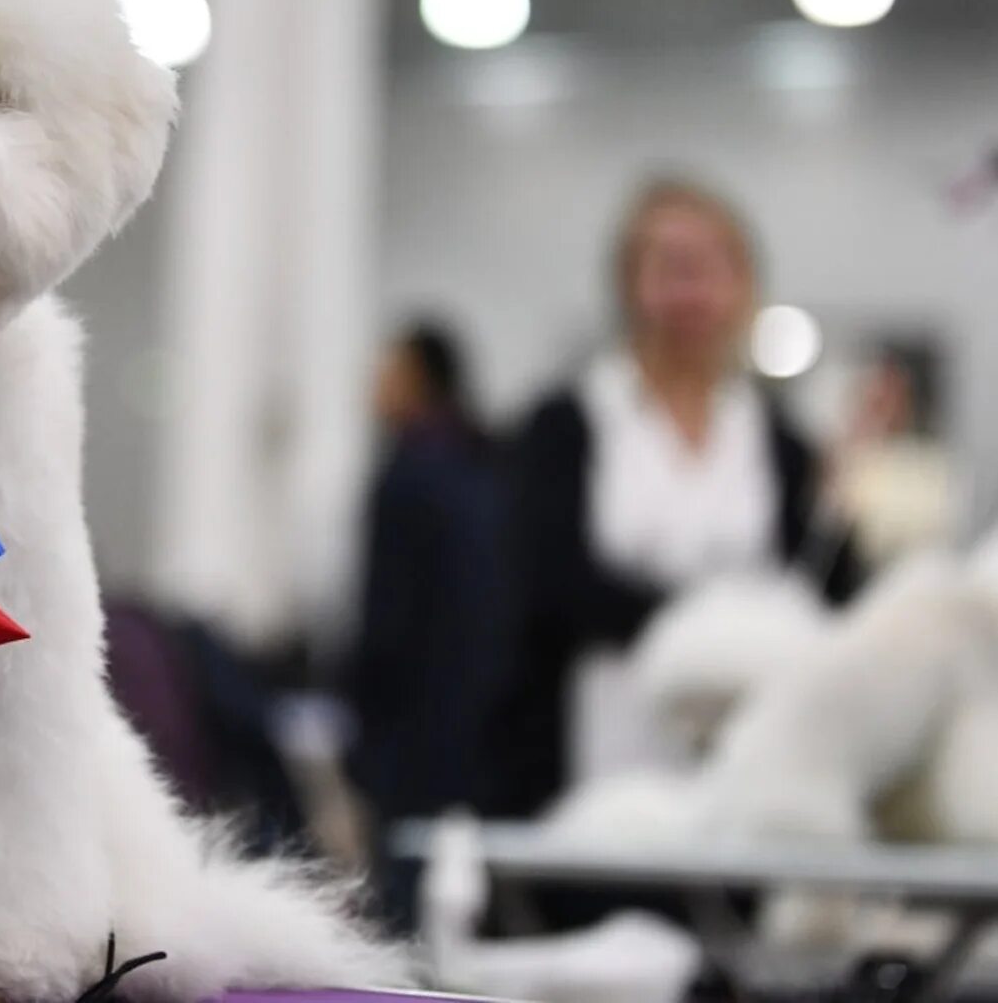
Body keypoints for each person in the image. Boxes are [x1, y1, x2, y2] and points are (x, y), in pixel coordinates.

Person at [494, 178, 860, 820]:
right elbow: (551, 583)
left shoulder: (781, 442)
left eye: (713, 265)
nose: (692, 289)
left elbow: (819, 588)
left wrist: (847, 503)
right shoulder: (566, 422)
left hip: (745, 757)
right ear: (629, 283)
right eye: (670, 266)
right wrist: (721, 626)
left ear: (745, 284)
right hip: (594, 749)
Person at [346, 322, 507, 924]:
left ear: (418, 380)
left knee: (407, 904)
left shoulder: (409, 475)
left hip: (410, 732)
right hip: (477, 725)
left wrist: (365, 731)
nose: (373, 389)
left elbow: (385, 617)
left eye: (385, 374)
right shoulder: (482, 465)